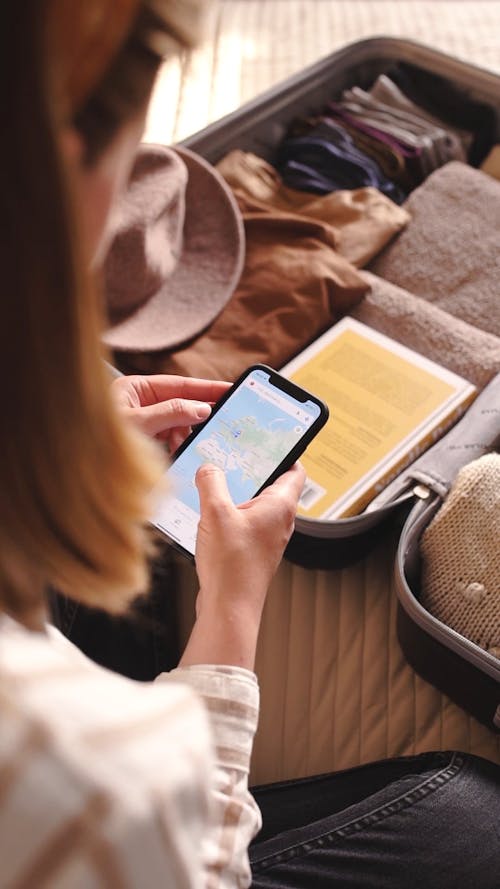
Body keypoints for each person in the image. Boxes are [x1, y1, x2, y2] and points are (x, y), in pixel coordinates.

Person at [0, 2, 498, 888]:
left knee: (136, 569)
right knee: (477, 817)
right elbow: (197, 869)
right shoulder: (54, 743)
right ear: (69, 177)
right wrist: (232, 609)